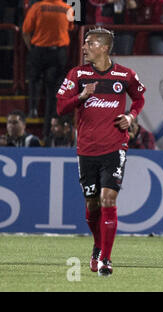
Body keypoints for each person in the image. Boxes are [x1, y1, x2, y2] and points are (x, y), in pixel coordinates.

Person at [56, 27, 146, 276]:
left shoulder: (125, 75)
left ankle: (105, 258)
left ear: (104, 47)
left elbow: (139, 98)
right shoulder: (78, 74)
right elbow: (61, 107)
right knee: (92, 203)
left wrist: (131, 115)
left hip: (115, 147)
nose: (84, 48)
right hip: (86, 148)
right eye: (84, 44)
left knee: (108, 198)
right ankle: (98, 244)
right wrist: (82, 97)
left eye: (89, 43)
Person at [22, 0, 74, 141]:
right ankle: (47, 132)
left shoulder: (37, 7)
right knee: (53, 94)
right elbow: (70, 27)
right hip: (58, 54)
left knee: (34, 80)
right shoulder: (68, 8)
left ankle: (32, 109)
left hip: (39, 50)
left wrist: (32, 49)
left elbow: (25, 31)